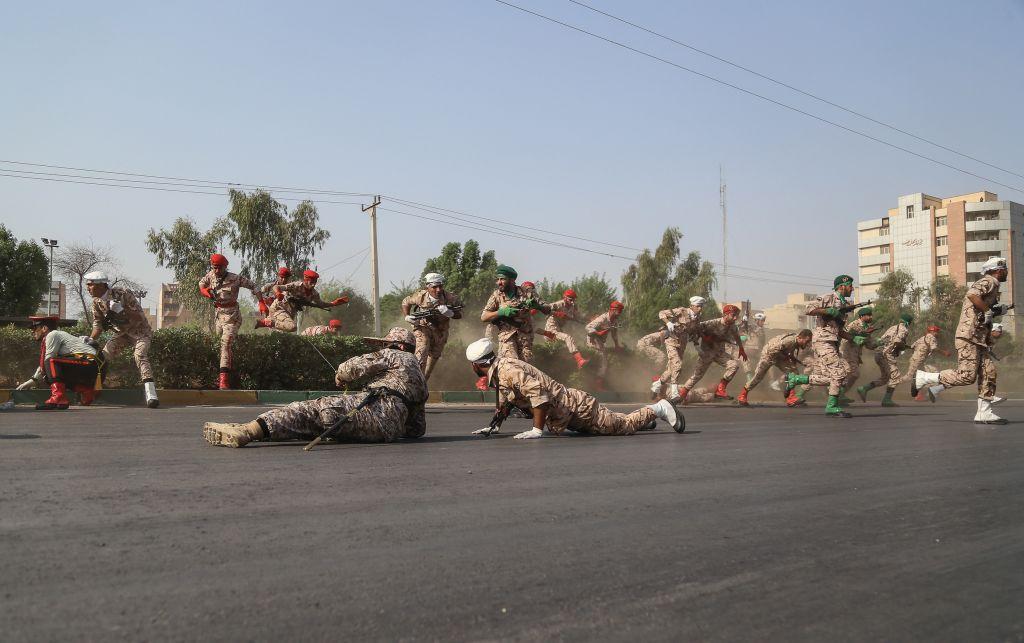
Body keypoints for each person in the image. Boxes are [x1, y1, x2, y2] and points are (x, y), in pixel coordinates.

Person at [203, 328, 427, 447]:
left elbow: (352, 367)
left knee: (307, 411)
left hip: (372, 410)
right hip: (386, 433)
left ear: (397, 345)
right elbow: (417, 429)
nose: (385, 346)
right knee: (315, 424)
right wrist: (391, 423)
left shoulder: (393, 354)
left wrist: (340, 376)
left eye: (387, 344)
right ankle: (260, 430)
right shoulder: (420, 378)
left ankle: (248, 431)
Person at [465, 338, 683, 438]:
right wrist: (494, 426)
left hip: (578, 409)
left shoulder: (507, 370)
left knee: (622, 427)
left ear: (476, 365)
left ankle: (660, 408)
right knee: (613, 422)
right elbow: (507, 401)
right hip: (568, 413)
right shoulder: (500, 370)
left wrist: (536, 430)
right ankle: (646, 421)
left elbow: (539, 396)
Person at [914, 257, 1009, 424]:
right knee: (967, 376)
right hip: (969, 336)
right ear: (999, 270)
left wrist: (995, 310)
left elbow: (979, 311)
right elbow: (972, 295)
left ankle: (984, 413)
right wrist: (988, 310)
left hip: (979, 339)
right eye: (1005, 269)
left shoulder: (993, 285)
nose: (1006, 272)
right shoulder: (990, 281)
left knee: (989, 372)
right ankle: (925, 378)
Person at [785, 275, 861, 418]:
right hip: (823, 341)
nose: (852, 288)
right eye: (850, 285)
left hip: (832, 342)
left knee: (831, 376)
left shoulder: (845, 305)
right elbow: (809, 309)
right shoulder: (829, 297)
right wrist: (827, 311)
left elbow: (839, 330)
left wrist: (853, 337)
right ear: (841, 286)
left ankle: (796, 379)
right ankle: (831, 406)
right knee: (839, 373)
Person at [83, 271, 159, 408]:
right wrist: (89, 339)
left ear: (100, 285)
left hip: (140, 332)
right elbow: (98, 325)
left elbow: (139, 317)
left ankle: (151, 395)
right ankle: (95, 392)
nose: (87, 288)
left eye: (90, 285)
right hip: (122, 334)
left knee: (139, 355)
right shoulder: (96, 302)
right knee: (102, 358)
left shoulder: (123, 293)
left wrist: (121, 309)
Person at [198, 254, 265, 390]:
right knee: (217, 343)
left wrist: (261, 302)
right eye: (214, 267)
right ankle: (226, 370)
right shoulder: (210, 275)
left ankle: (224, 380)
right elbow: (201, 283)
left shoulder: (235, 278)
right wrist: (205, 291)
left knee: (225, 343)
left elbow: (254, 286)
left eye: (219, 268)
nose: (216, 271)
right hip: (218, 316)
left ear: (225, 267)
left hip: (232, 317)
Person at [16, 315, 99, 410]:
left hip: (89, 364)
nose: (32, 331)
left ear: (44, 328)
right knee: (52, 370)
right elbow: (46, 366)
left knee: (50, 363)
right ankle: (87, 391)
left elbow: (47, 362)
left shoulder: (52, 334)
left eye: (34, 328)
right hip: (92, 366)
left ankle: (58, 398)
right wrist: (33, 380)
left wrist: (35, 380)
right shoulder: (58, 335)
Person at [678, 304, 746, 403]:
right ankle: (681, 396)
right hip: (707, 353)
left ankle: (720, 389)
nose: (735, 318)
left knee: (734, 365)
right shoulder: (712, 323)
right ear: (725, 315)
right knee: (697, 376)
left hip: (719, 354)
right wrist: (704, 337)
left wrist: (741, 349)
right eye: (733, 315)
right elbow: (695, 328)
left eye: (736, 315)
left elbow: (737, 336)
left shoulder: (733, 327)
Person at [401, 272, 463, 380]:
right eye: (434, 287)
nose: (438, 290)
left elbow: (460, 314)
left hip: (440, 332)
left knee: (432, 362)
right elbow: (405, 302)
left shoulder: (450, 297)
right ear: (428, 287)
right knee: (422, 350)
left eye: (440, 286)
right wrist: (407, 316)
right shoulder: (420, 296)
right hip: (423, 327)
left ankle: (423, 381)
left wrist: (450, 313)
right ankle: (416, 379)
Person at [737, 329, 812, 406]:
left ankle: (791, 398)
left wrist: (792, 360)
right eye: (806, 341)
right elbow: (772, 350)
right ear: (800, 337)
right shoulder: (790, 340)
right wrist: (786, 357)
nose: (807, 344)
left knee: (793, 373)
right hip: (768, 355)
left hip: (779, 356)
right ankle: (742, 395)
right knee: (758, 376)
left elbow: (789, 353)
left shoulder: (796, 342)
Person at [257, 269, 348, 332]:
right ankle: (266, 322)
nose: (313, 285)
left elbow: (321, 304)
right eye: (311, 282)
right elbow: (276, 287)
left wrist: (334, 303)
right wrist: (278, 293)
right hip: (280, 308)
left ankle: (266, 322)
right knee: (292, 327)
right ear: (305, 280)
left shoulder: (314, 294)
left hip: (290, 313)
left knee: (283, 333)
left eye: (315, 282)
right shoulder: (296, 285)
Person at [653, 296, 705, 400]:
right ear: (692, 306)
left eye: (701, 306)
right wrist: (668, 322)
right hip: (671, 341)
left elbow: (693, 332)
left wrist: (696, 345)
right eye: (698, 306)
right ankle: (674, 392)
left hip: (682, 344)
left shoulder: (697, 318)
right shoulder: (681, 311)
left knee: (670, 370)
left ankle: (657, 384)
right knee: (677, 365)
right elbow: (661, 313)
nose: (700, 309)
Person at [856, 314, 912, 406]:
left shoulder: (892, 327)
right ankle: (887, 400)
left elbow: (886, 340)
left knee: (885, 377)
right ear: (909, 322)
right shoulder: (904, 329)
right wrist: (902, 347)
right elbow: (897, 342)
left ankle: (864, 388)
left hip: (879, 353)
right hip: (887, 354)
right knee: (895, 376)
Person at [541, 289, 588, 369]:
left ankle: (571, 368)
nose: (572, 302)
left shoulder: (572, 307)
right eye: (570, 299)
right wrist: (557, 313)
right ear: (565, 298)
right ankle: (579, 360)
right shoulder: (558, 304)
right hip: (550, 332)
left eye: (574, 300)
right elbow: (544, 308)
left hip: (558, 331)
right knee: (568, 338)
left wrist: (590, 320)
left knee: (566, 348)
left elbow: (578, 317)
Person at [585, 301, 624, 390]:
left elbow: (614, 334)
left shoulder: (614, 321)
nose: (620, 314)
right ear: (613, 310)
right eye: (619, 311)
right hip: (593, 339)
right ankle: (597, 385)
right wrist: (597, 333)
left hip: (601, 342)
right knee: (602, 362)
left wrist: (617, 345)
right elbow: (588, 327)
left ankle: (596, 383)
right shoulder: (602, 318)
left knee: (601, 361)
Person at [839, 307, 876, 397]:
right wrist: (864, 333)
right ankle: (840, 394)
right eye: (869, 315)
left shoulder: (867, 327)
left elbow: (868, 344)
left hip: (855, 354)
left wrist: (877, 344)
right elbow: (847, 336)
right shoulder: (854, 324)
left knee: (851, 374)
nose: (871, 317)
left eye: (871, 315)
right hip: (847, 351)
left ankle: (841, 394)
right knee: (853, 373)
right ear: (862, 316)